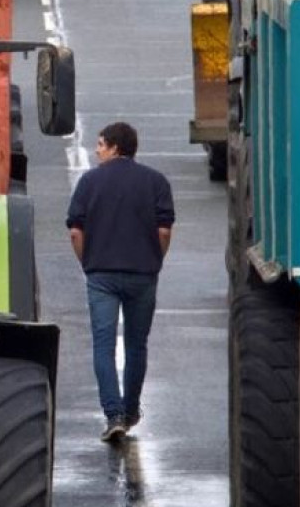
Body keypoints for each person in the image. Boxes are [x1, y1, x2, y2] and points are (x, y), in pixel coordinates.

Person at [66, 122, 175, 442]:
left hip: (101, 275)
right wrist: (154, 262)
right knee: (136, 344)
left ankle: (112, 414)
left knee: (103, 345)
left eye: (100, 144)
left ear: (115, 147)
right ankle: (130, 411)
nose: (96, 150)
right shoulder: (156, 181)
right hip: (143, 274)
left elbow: (75, 231)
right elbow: (164, 232)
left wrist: (87, 263)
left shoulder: (89, 182)